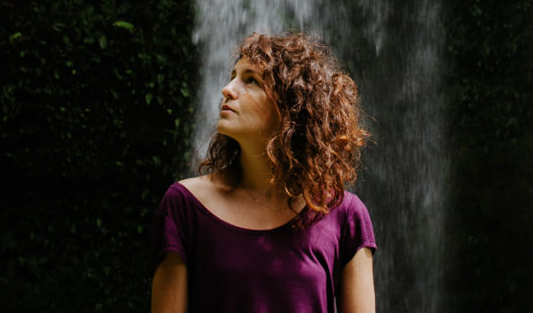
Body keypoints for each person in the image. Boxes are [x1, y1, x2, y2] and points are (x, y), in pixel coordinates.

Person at [151, 32, 376, 313]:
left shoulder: (344, 214)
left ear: (292, 105)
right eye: (233, 76)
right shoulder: (184, 205)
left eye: (251, 80)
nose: (227, 89)